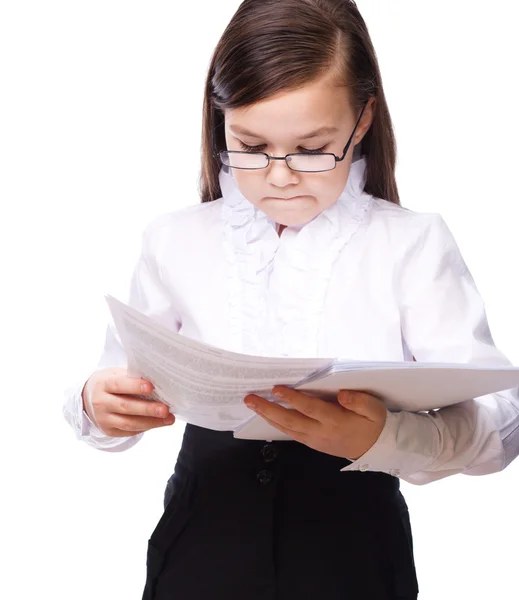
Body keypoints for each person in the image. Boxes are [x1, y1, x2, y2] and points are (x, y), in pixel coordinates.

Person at [63, 1, 519, 598]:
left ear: (363, 121)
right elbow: (118, 381)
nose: (279, 176)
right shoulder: (174, 238)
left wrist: (385, 440)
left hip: (353, 553)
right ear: (219, 119)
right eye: (250, 145)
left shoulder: (412, 243)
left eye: (311, 149)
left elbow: (500, 427)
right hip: (198, 547)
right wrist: (99, 406)